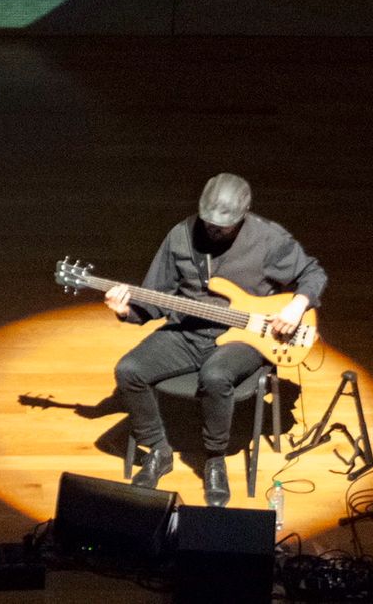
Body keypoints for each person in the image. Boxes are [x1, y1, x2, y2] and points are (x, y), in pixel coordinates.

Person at [103, 173, 325, 507]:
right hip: (189, 331)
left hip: (246, 337)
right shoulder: (180, 236)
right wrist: (125, 310)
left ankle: (214, 458)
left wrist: (296, 306)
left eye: (224, 225)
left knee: (216, 375)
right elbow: (153, 299)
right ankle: (158, 450)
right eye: (208, 222)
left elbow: (313, 274)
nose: (214, 230)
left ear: (244, 214)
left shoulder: (266, 238)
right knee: (129, 370)